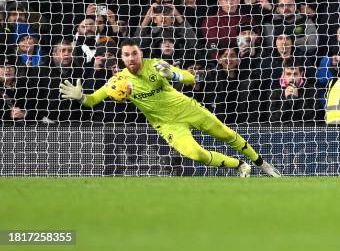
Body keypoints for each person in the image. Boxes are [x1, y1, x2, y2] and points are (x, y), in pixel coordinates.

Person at [59, 38, 281, 177]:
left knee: (227, 134)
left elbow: (188, 78)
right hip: (167, 124)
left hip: (187, 108)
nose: (131, 57)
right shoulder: (118, 82)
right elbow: (92, 100)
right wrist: (80, 97)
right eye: (126, 54)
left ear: (140, 54)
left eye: (134, 53)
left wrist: (172, 73)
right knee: (196, 154)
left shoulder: (156, 66)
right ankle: (240, 165)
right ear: (122, 57)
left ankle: (262, 165)